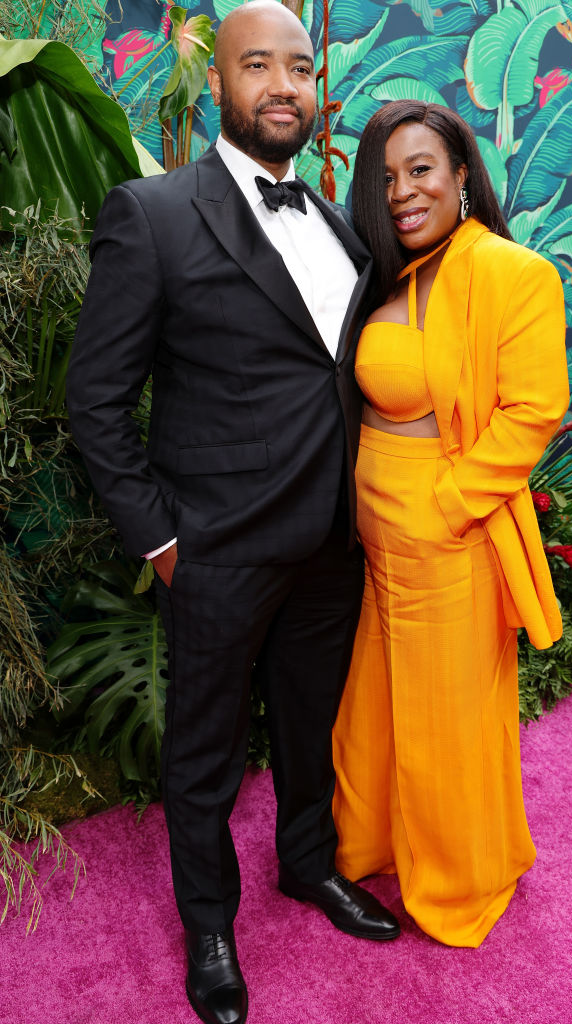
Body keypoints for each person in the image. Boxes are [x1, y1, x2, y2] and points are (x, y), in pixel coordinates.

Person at [66, 4, 399, 1023]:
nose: (283, 86)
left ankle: (307, 866)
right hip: (212, 552)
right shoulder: (155, 212)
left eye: (299, 68)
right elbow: (95, 402)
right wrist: (163, 542)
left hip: (328, 548)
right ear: (218, 83)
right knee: (204, 753)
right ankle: (207, 924)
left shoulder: (341, 222)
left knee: (309, 731)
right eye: (259, 65)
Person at [331, 100, 570, 948]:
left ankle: (457, 880)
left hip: (446, 533)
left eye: (421, 168)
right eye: (387, 176)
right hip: (373, 535)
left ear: (462, 172)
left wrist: (446, 507)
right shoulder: (386, 272)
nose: (403, 190)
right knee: (376, 705)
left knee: (444, 719)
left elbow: (533, 410)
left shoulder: (511, 272)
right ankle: (371, 843)